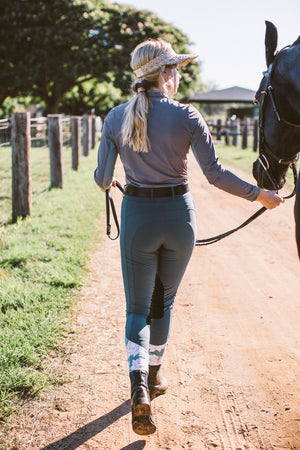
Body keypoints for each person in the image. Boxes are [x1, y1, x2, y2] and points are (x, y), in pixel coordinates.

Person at [94, 38, 284, 436]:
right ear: (163, 73)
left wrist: (112, 175)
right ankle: (156, 376)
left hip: (139, 217)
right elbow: (214, 175)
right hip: (180, 218)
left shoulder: (115, 118)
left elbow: (100, 179)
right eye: (175, 69)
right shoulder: (187, 116)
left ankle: (139, 387)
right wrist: (261, 195)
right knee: (164, 302)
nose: (177, 75)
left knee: (137, 309)